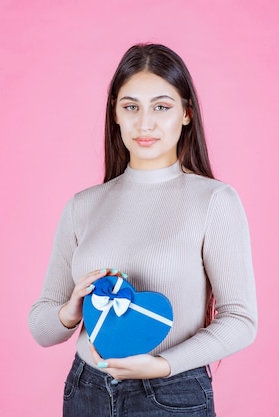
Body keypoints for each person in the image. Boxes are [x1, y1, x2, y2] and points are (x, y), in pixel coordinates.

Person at [28, 43, 257, 416]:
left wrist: (163, 366)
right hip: (86, 391)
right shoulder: (83, 205)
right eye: (131, 106)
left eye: (161, 107)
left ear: (186, 114)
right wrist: (71, 311)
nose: (144, 123)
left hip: (171, 392)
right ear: (115, 114)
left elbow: (240, 320)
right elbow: (42, 328)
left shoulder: (214, 200)